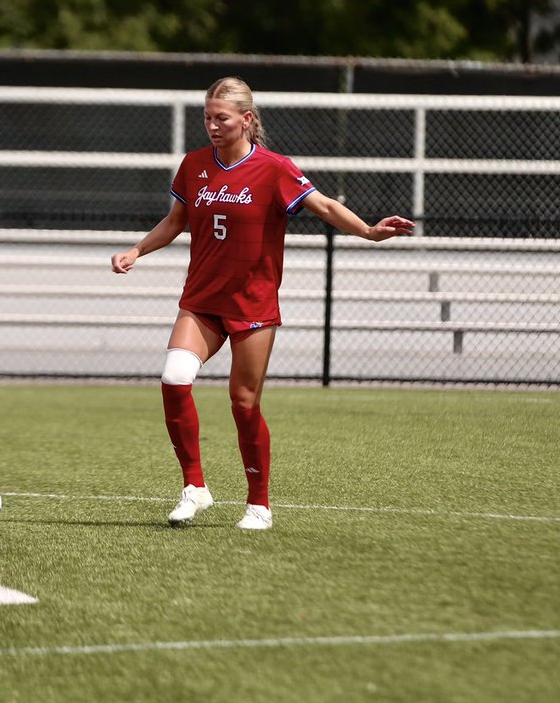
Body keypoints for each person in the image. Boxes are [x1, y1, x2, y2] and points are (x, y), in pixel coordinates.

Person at [111, 77, 413, 530]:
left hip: (252, 304)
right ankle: (195, 487)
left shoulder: (274, 168)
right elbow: (175, 221)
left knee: (243, 403)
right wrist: (136, 250)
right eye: (207, 117)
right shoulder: (194, 166)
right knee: (174, 376)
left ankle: (259, 505)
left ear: (246, 120)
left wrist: (370, 231)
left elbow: (326, 207)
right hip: (202, 300)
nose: (212, 126)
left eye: (222, 118)